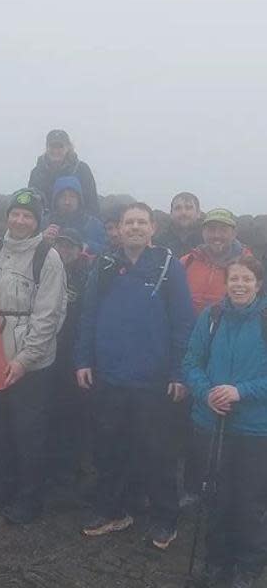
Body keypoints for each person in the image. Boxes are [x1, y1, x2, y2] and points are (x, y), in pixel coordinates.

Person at [75, 202, 195, 550]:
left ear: (153, 228)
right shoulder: (106, 263)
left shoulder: (167, 265)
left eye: (142, 222)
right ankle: (113, 511)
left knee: (157, 452)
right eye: (130, 222)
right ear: (120, 228)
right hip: (110, 376)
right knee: (109, 448)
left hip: (153, 379)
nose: (136, 228)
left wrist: (179, 371)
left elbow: (183, 322)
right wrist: (83, 359)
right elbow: (88, 314)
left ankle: (165, 518)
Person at [0, 187, 68, 524]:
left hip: (33, 362)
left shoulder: (48, 257)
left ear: (37, 221)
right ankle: (2, 486)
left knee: (29, 432)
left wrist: (24, 361)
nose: (20, 220)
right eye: (15, 213)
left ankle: (29, 501)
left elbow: (48, 316)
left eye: (27, 216)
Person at [183, 256, 267, 588]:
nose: (240, 284)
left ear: (258, 284)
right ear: (226, 282)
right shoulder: (211, 316)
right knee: (215, 496)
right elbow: (191, 360)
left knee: (248, 500)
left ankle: (247, 567)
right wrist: (206, 393)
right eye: (234, 278)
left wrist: (239, 391)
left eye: (247, 279)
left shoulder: (264, 320)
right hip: (210, 422)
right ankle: (215, 562)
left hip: (255, 429)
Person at [48, 228, 94, 483]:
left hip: (75, 352)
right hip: (48, 349)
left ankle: (71, 467)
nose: (64, 250)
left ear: (80, 249)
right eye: (60, 245)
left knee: (74, 411)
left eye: (70, 246)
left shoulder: (88, 274)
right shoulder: (45, 268)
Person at [181, 208, 251, 315]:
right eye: (211, 229)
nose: (216, 235)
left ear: (234, 233)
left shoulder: (249, 266)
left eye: (223, 230)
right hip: (189, 329)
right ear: (203, 233)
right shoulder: (187, 261)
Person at [28, 130, 99, 215]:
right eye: (52, 146)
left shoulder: (82, 170)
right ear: (46, 147)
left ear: (68, 147)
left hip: (78, 223)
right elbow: (31, 205)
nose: (56, 150)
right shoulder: (36, 173)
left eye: (60, 146)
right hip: (45, 224)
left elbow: (92, 204)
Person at [42, 176, 107, 255]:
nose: (67, 202)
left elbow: (106, 249)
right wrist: (42, 239)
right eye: (62, 196)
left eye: (72, 196)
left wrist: (88, 246)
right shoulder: (44, 222)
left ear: (79, 199)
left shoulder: (93, 224)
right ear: (55, 199)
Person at [154, 192, 202, 258]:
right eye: (178, 208)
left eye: (188, 208)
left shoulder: (207, 240)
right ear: (171, 213)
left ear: (198, 213)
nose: (183, 212)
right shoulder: (158, 243)